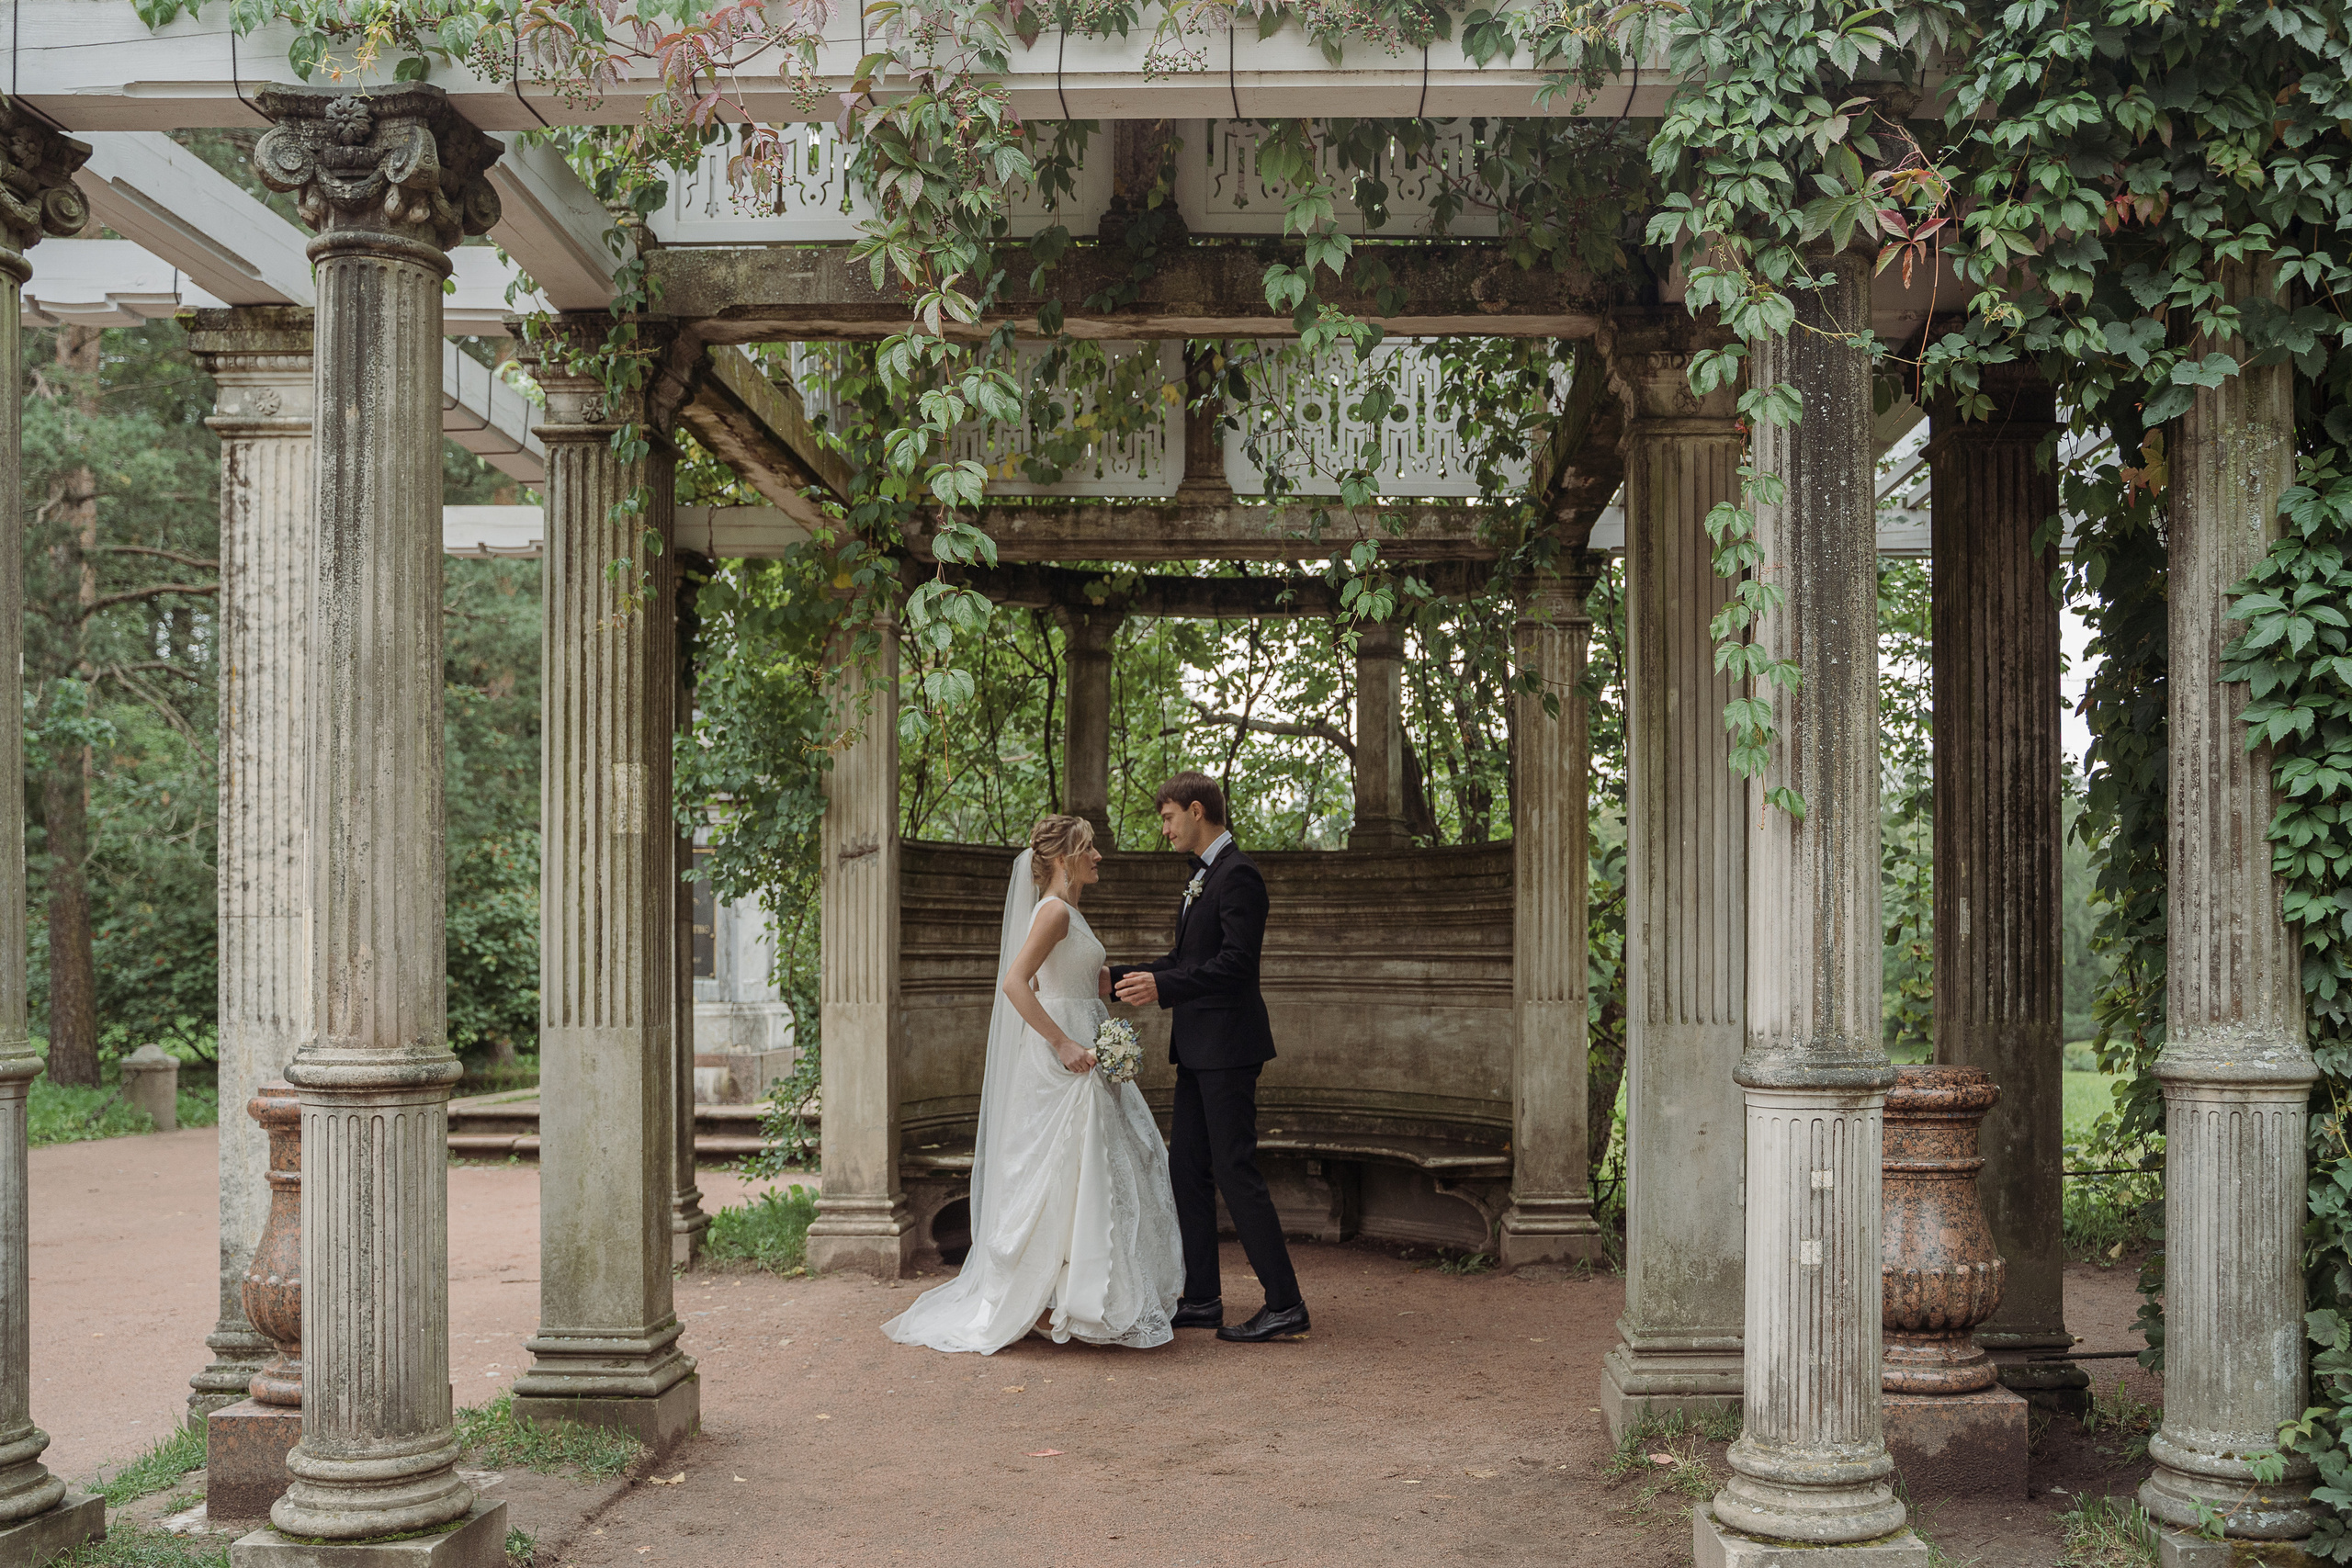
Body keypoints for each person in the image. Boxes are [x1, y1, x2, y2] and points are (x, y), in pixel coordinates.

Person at [881, 815, 1182, 1354]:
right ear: (1065, 858)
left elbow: (1085, 983)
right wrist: (1063, 1043)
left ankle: (1074, 1297)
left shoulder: (1069, 912)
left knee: (1092, 1174)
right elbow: (1016, 984)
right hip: (1063, 1063)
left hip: (1088, 1056)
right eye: (1089, 849)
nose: (1099, 857)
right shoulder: (1055, 911)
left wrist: (1165, 982)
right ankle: (1048, 1301)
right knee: (1064, 1175)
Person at [1112, 773, 1309, 1344]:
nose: (1165, 828)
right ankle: (1201, 1297)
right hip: (1199, 1049)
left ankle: (1285, 1302)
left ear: (1197, 811)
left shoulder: (1238, 874)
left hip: (1229, 1048)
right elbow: (1183, 956)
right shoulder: (1202, 877)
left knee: (1234, 1169)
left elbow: (1236, 966)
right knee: (1186, 1169)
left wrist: (1164, 989)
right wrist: (1118, 977)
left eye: (1169, 817)